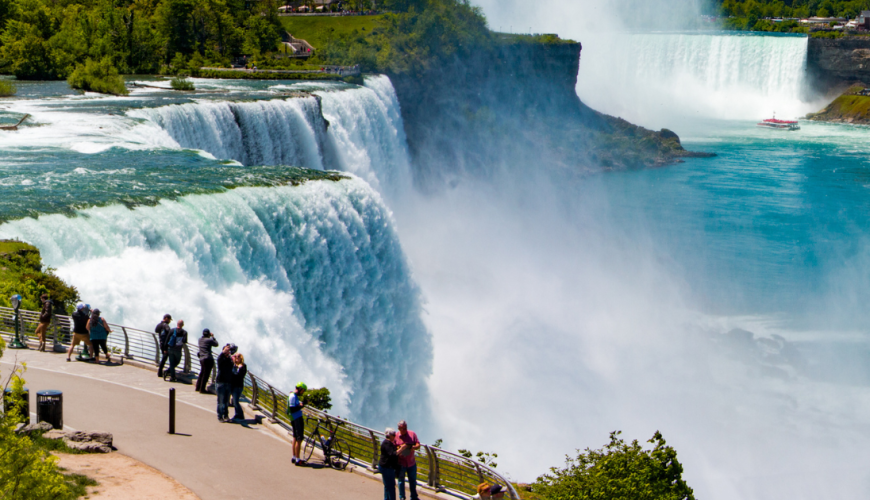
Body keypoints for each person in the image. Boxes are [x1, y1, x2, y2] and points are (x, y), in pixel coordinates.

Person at [396, 420, 421, 500]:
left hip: (411, 463)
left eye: (405, 428)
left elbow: (418, 444)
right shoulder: (396, 435)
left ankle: (413, 497)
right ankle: (402, 497)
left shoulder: (412, 434)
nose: (404, 430)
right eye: (402, 428)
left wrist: (413, 447)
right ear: (399, 428)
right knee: (401, 481)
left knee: (413, 481)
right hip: (401, 463)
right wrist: (400, 448)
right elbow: (393, 447)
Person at [215, 343, 237, 422]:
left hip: (228, 382)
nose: (228, 351)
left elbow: (233, 368)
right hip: (220, 382)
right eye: (227, 349)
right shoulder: (221, 358)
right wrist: (224, 351)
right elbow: (221, 357)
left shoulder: (230, 360)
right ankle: (220, 416)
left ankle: (226, 415)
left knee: (226, 401)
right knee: (220, 401)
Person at [288, 382, 307, 465]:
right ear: (299, 389)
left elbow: (295, 405)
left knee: (295, 437)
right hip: (296, 419)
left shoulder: (293, 395)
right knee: (299, 439)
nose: (303, 392)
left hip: (295, 418)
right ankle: (298, 460)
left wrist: (301, 404)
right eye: (303, 390)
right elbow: (293, 409)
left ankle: (294, 457)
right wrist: (302, 405)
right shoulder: (292, 396)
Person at [379, 428, 400, 500]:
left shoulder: (388, 443)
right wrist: (401, 449)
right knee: (391, 486)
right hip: (387, 467)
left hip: (386, 467)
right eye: (393, 435)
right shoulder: (387, 443)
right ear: (389, 435)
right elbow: (392, 454)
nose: (394, 436)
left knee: (387, 486)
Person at [195, 328, 218, 393]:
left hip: (201, 358)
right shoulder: (209, 340)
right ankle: (202, 389)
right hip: (208, 358)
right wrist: (213, 337)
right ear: (208, 334)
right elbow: (216, 344)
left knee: (202, 373)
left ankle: (198, 387)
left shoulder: (200, 340)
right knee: (206, 374)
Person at [230, 352, 247, 421]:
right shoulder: (233, 365)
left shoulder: (243, 366)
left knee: (235, 401)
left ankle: (240, 414)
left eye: (238, 356)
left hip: (238, 386)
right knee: (234, 400)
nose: (237, 358)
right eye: (236, 356)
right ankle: (238, 414)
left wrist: (239, 369)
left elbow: (240, 376)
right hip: (233, 385)